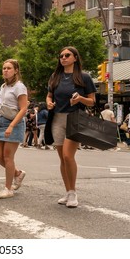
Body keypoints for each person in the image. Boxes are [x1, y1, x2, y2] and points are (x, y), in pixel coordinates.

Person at [46, 46, 96, 208]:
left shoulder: (84, 77)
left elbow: (92, 101)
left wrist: (80, 98)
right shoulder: (55, 76)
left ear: (75, 57)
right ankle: (67, 192)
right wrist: (49, 102)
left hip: (75, 118)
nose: (63, 58)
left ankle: (73, 192)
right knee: (62, 158)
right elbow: (49, 95)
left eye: (67, 55)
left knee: (68, 156)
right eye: (61, 56)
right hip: (57, 119)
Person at [0, 59, 28, 199]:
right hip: (1, 122)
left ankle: (8, 188)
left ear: (16, 70)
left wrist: (12, 125)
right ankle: (17, 173)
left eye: (9, 68)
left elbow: (24, 108)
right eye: (4, 68)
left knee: (8, 157)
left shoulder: (19, 87)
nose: (5, 70)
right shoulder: (3, 87)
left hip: (14, 123)